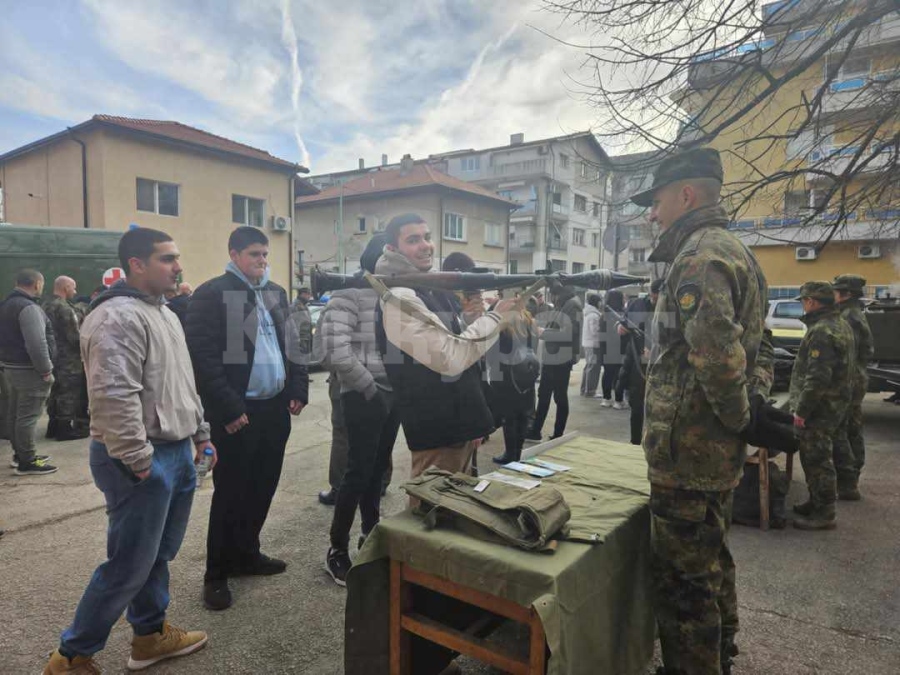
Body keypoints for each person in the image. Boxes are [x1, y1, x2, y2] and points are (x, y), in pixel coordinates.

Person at [43, 227, 212, 674]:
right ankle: (71, 657)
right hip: (139, 456)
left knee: (156, 555)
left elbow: (182, 384)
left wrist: (200, 433)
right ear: (137, 265)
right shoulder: (117, 316)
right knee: (128, 565)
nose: (178, 267)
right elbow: (113, 396)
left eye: (177, 258)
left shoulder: (165, 314)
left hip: (174, 452)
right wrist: (140, 463)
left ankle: (149, 636)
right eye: (167, 259)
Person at [635, 147, 769, 675]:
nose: (652, 213)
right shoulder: (736, 251)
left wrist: (741, 418)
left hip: (689, 450)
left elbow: (717, 357)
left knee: (683, 584)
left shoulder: (698, 258)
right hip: (711, 449)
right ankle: (722, 651)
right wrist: (747, 416)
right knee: (712, 558)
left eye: (657, 201)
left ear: (686, 195)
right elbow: (759, 350)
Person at [185, 226, 309, 611]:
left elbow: (293, 343)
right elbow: (203, 360)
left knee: (262, 487)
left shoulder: (275, 293)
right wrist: (229, 408)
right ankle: (216, 573)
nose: (262, 261)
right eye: (254, 254)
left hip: (274, 409)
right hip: (238, 413)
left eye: (265, 255)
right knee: (231, 493)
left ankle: (247, 554)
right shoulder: (212, 294)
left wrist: (298, 387)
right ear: (235, 254)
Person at [374, 213, 518, 483]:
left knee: (456, 515)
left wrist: (470, 320)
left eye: (427, 237)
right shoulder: (399, 296)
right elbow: (449, 357)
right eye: (413, 240)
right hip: (438, 430)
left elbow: (452, 338)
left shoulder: (426, 284)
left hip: (458, 424)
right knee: (433, 515)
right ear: (392, 248)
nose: (425, 245)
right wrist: (495, 318)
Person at [316, 236, 401, 586]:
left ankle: (370, 534)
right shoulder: (348, 293)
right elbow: (336, 352)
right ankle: (337, 549)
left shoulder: (395, 296)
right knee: (357, 473)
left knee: (377, 471)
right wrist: (369, 387)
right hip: (363, 394)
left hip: (393, 395)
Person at [317, 236, 393, 507]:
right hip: (366, 379)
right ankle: (371, 483)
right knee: (365, 435)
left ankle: (346, 487)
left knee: (347, 435)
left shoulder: (359, 288)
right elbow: (334, 345)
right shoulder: (377, 290)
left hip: (355, 380)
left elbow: (330, 348)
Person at [790, 281, 855, 530]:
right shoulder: (841, 324)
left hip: (821, 407)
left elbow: (817, 378)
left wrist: (801, 410)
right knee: (820, 455)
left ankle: (824, 512)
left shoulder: (821, 331)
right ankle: (816, 501)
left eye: (804, 301)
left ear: (813, 302)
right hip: (836, 403)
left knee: (817, 458)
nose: (804, 306)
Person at [0, 269, 57, 475]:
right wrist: (46, 370)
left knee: (16, 415)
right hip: (30, 370)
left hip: (11, 368)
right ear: (37, 284)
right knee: (28, 417)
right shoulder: (28, 307)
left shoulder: (6, 304)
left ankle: (21, 454)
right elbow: (37, 344)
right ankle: (28, 461)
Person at [831, 274, 873, 500]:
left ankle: (847, 482)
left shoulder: (848, 318)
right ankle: (850, 479)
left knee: (842, 430)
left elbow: (844, 354)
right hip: (856, 378)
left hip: (847, 381)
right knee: (853, 428)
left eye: (835, 291)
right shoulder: (855, 314)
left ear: (845, 294)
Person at [526, 280, 582, 440]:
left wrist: (544, 332)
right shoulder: (565, 302)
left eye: (552, 293)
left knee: (557, 396)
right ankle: (537, 430)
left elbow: (570, 333)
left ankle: (556, 433)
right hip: (555, 356)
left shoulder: (572, 305)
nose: (552, 297)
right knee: (545, 394)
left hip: (561, 358)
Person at [488, 311, 539, 464]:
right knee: (522, 415)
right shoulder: (529, 321)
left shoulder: (503, 327)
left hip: (506, 377)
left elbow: (492, 354)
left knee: (509, 418)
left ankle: (510, 454)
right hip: (526, 374)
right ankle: (517, 452)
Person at [43, 276, 90, 441]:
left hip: (52, 356)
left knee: (55, 392)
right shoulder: (64, 308)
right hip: (68, 359)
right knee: (68, 393)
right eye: (73, 287)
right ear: (66, 287)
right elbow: (75, 337)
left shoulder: (46, 305)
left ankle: (53, 426)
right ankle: (64, 429)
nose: (75, 291)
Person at [618, 279, 663, 444]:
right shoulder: (637, 304)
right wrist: (620, 328)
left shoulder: (672, 307)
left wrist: (656, 351)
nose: (655, 300)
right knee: (636, 407)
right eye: (654, 296)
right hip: (637, 365)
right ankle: (635, 442)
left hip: (661, 367)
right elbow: (623, 322)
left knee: (658, 410)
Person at [597, 289, 627, 409]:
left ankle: (606, 398)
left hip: (606, 349)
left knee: (607, 374)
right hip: (620, 349)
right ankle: (618, 400)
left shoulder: (604, 315)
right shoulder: (623, 315)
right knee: (619, 375)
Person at [580, 294, 603, 397]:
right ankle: (590, 391)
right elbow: (595, 331)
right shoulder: (594, 315)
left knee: (588, 366)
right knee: (593, 367)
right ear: (596, 302)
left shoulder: (588, 313)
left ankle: (584, 389)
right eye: (600, 301)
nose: (601, 303)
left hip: (587, 343)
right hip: (593, 344)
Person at [291, 286, 314, 359]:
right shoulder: (295, 306)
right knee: (301, 360)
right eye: (308, 294)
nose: (309, 296)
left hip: (306, 338)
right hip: (300, 339)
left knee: (305, 360)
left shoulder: (304, 306)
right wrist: (296, 340)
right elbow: (292, 323)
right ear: (302, 294)